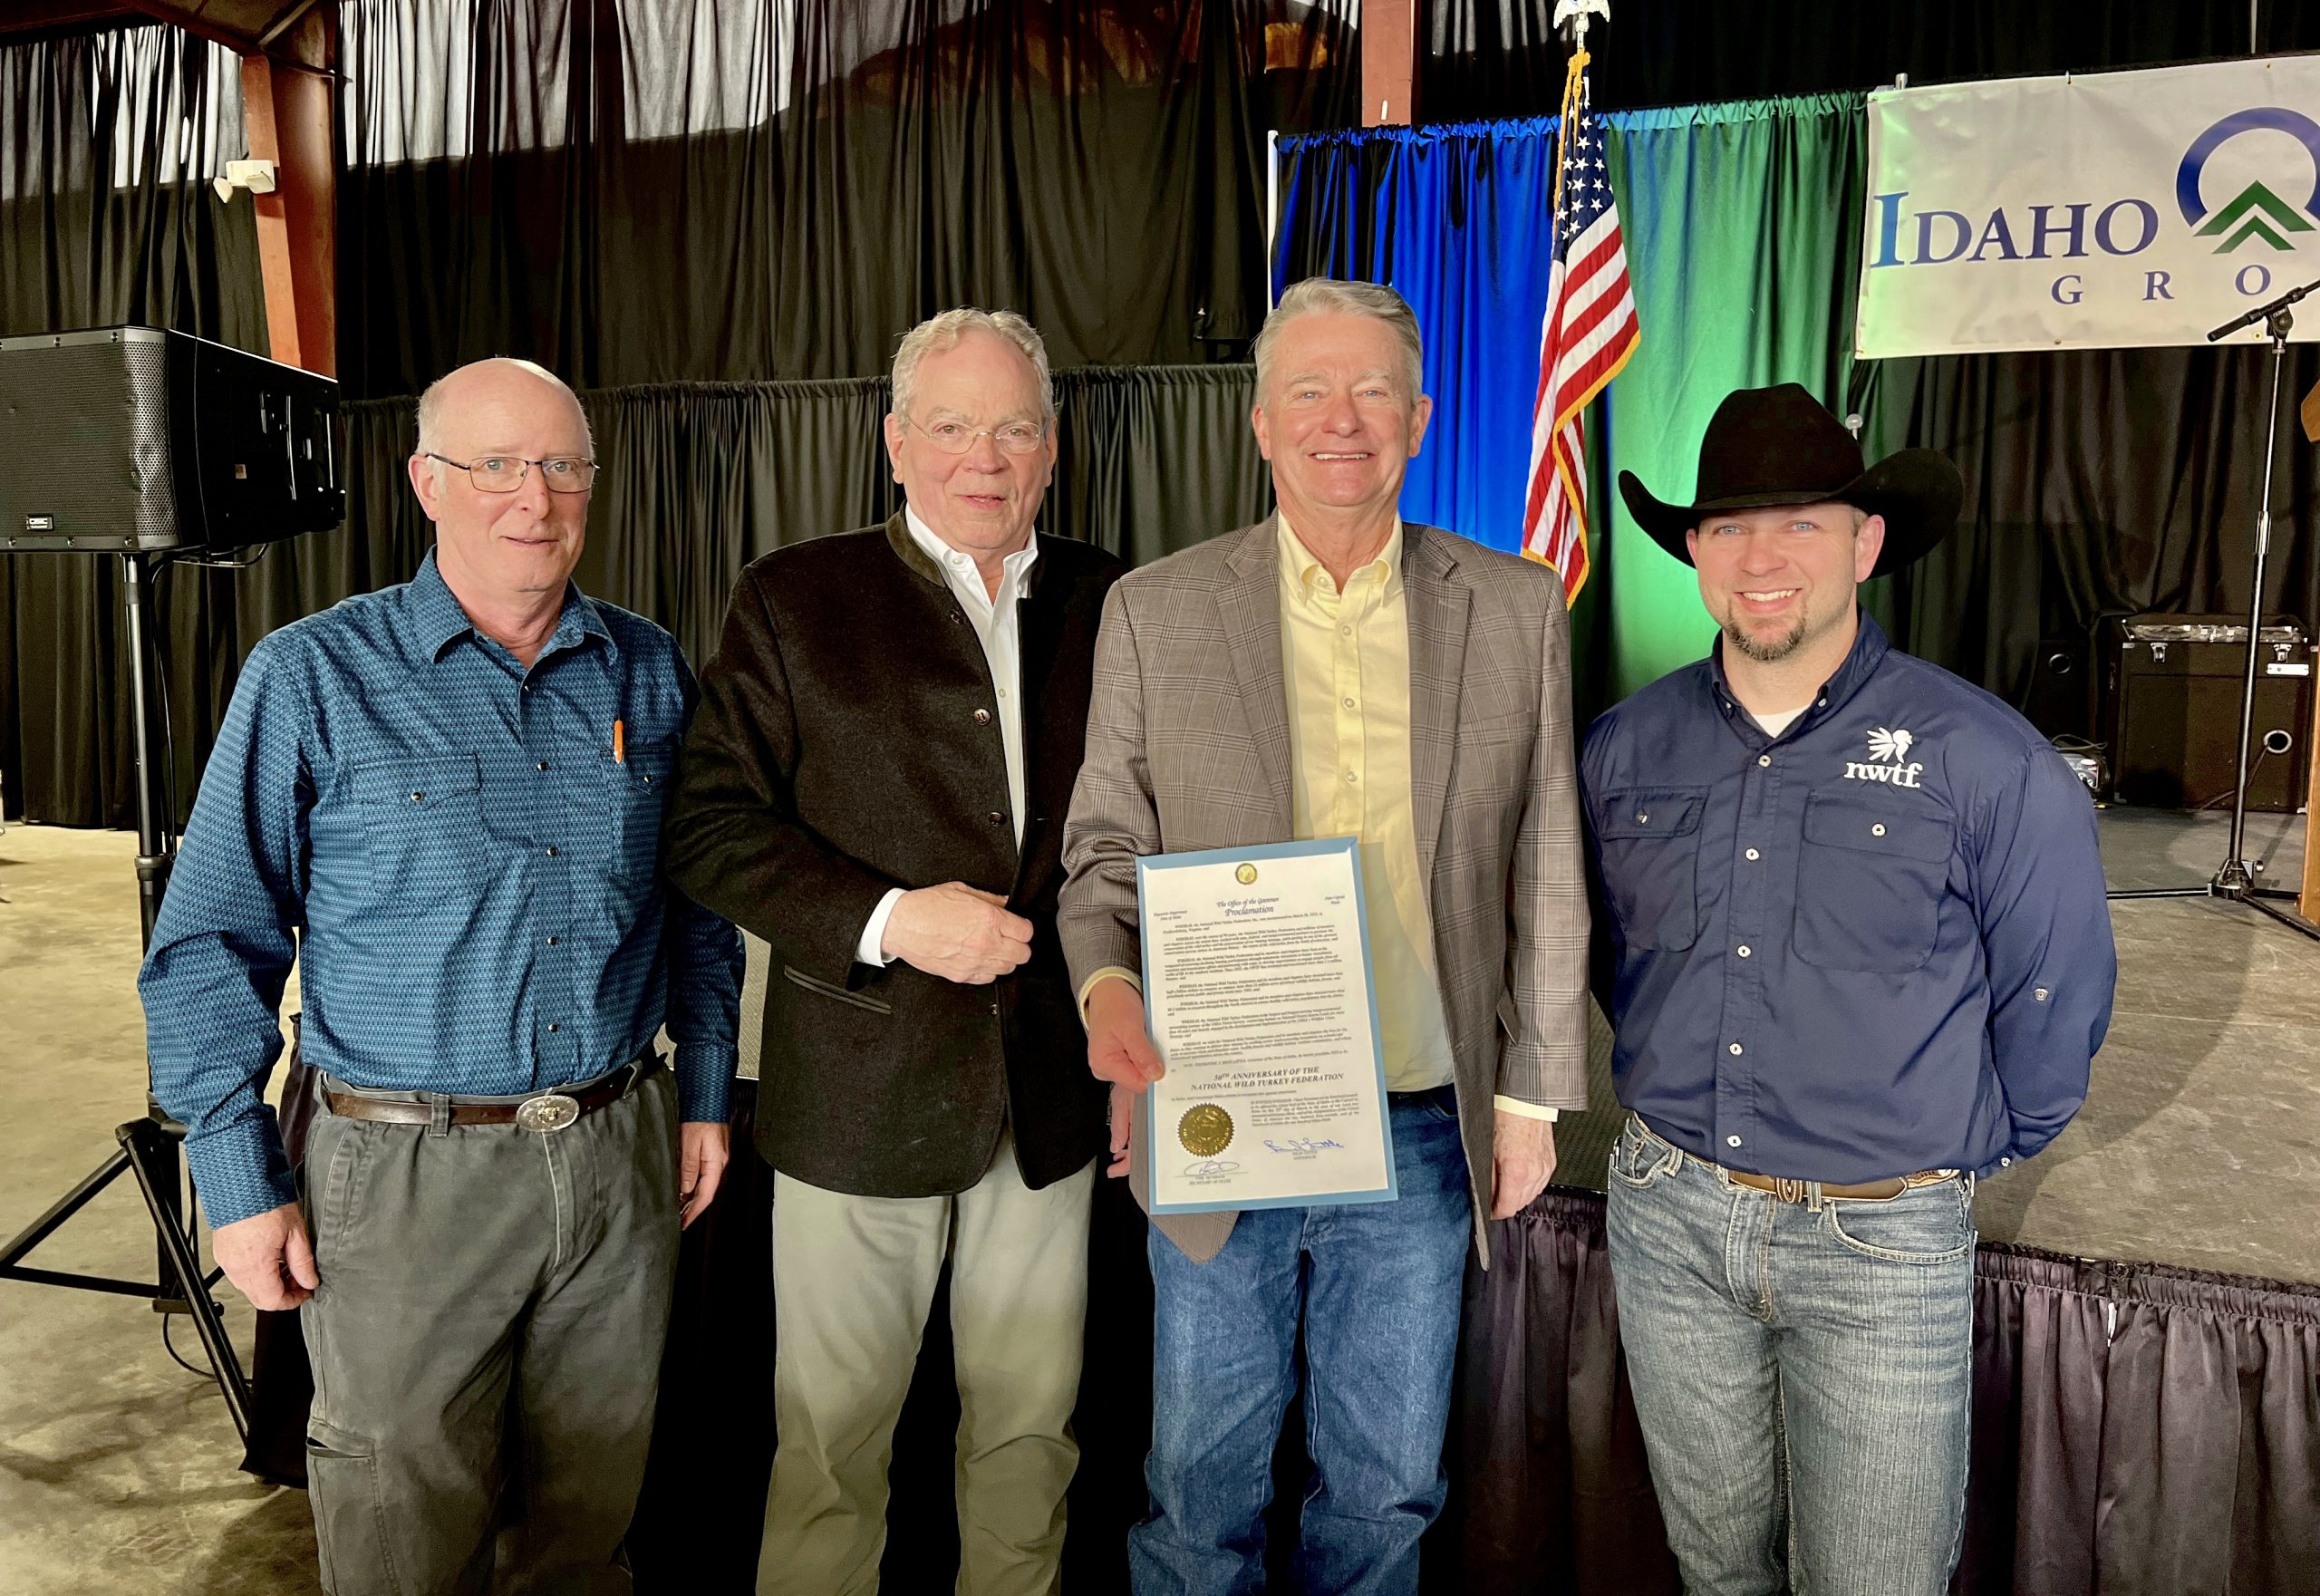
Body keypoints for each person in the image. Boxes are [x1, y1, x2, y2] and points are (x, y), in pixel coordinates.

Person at [139, 356, 742, 1593]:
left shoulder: (648, 670)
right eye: (498, 466)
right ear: (426, 483)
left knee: (588, 1508)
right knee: (404, 1509)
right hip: (403, 1174)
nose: (536, 497)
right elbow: (210, 945)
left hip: (617, 1152)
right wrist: (236, 1175)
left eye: (563, 465)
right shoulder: (312, 677)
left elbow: (698, 905)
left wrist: (708, 1088)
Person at [1058, 277, 1590, 1593]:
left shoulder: (1514, 608)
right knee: (1199, 1493)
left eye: (1370, 392)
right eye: (1308, 389)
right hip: (1219, 1113)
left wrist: (1532, 1092)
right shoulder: (1157, 610)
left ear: (1417, 417)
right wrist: (1108, 992)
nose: (1339, 420)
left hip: (1416, 1121)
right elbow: (1103, 853)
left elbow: (1549, 863)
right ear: (1258, 423)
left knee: (1385, 1493)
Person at [1588, 382, 2117, 1596]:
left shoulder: (1982, 756)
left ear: (1866, 541)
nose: (1761, 558)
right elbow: (1618, 959)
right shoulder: (1625, 748)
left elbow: (2056, 994)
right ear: (1694, 553)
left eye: (1800, 523)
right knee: (1716, 1569)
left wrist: (1938, 1156)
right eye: (1727, 528)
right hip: (1669, 1218)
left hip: (1882, 1239)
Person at [662, 308, 1125, 1596]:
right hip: (855, 1105)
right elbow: (705, 823)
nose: (986, 455)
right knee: (829, 1452)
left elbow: (1145, 836)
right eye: (954, 426)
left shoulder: (1110, 597)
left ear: (1050, 448)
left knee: (1032, 1444)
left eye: (1016, 427)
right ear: (895, 443)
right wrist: (890, 918)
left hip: (1048, 1105)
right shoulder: (797, 598)